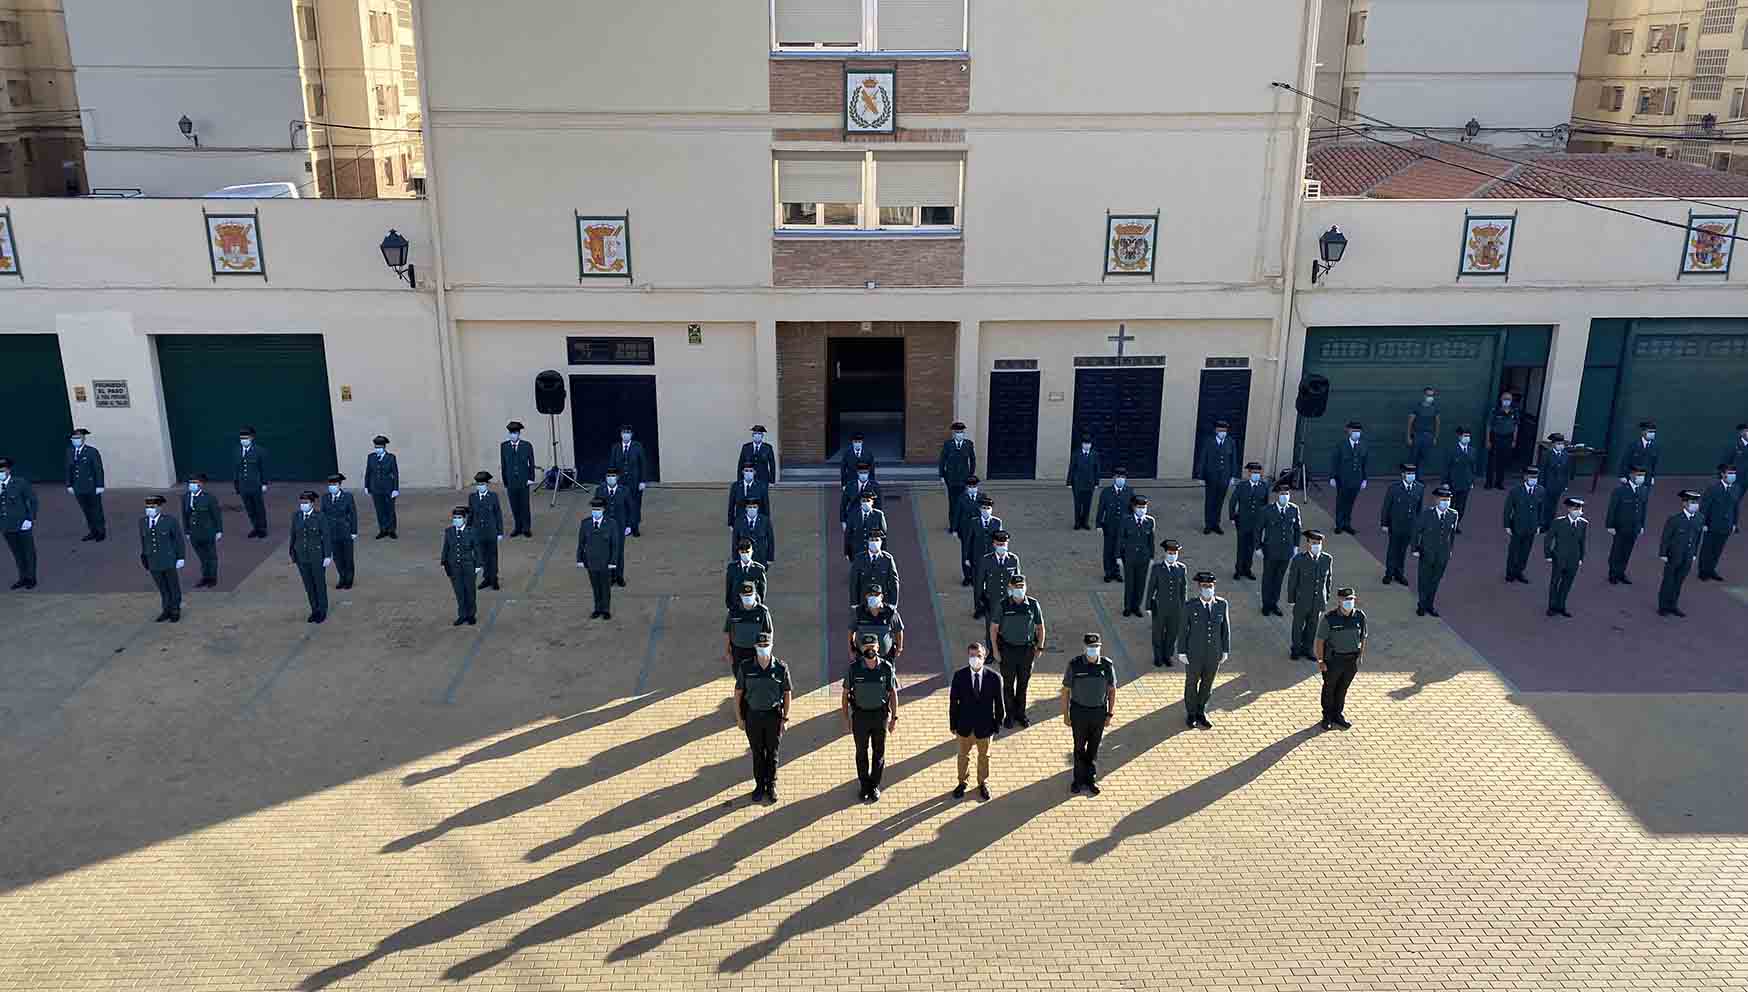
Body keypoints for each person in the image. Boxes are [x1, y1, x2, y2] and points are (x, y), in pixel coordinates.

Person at [735, 631, 791, 804]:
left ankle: (771, 785)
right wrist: (739, 718)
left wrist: (785, 718)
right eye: (760, 646)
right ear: (755, 647)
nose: (763, 649)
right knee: (758, 753)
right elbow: (738, 694)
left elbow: (788, 694)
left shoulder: (781, 668)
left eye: (766, 646)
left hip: (773, 716)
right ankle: (760, 785)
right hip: (753, 717)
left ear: (771, 646)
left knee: (772, 753)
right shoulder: (746, 667)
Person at [842, 635, 899, 802]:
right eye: (866, 647)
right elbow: (845, 695)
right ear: (861, 649)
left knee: (878, 752)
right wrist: (846, 719)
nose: (870, 650)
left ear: (878, 648)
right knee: (861, 752)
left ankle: (874, 785)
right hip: (860, 716)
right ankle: (864, 785)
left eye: (873, 646)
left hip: (880, 716)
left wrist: (894, 717)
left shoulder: (886, 668)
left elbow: (892, 693)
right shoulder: (854, 669)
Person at [1062, 633, 1117, 796]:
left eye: (1096, 647)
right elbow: (1065, 691)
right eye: (1090, 647)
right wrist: (1065, 714)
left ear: (1100, 647)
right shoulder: (1075, 665)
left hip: (1099, 713)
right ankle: (1078, 780)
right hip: (1079, 712)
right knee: (1079, 748)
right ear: (1084, 648)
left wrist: (1110, 713)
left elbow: (1112, 691)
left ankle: (1090, 778)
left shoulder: (1107, 665)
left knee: (1093, 748)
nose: (1093, 650)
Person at [989, 573, 1046, 727]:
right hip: (1007, 650)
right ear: (1010, 588)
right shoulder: (1003, 605)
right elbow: (993, 629)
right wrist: (995, 650)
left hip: (1027, 651)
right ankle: (1009, 715)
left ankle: (1021, 714)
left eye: (1022, 587)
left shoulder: (1033, 604)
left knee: (1023, 685)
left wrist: (1040, 647)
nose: (1019, 589)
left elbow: (1040, 628)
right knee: (1008, 685)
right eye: (1016, 587)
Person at [949, 643, 1004, 800]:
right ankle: (962, 782)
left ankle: (983, 782)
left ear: (984, 656)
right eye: (972, 656)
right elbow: (953, 702)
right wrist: (953, 725)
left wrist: (997, 725)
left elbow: (999, 704)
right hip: (964, 726)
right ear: (968, 657)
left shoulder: (994, 678)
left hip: (985, 728)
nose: (975, 659)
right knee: (962, 756)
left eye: (978, 655)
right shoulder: (959, 676)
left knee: (984, 757)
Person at [1177, 571, 1230, 730]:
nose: (1208, 589)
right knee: (1191, 684)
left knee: (1207, 684)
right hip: (1194, 653)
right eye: (1204, 586)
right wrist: (1182, 651)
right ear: (1199, 588)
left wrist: (1225, 650)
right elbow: (1183, 630)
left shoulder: (1221, 604)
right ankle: (1191, 713)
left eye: (1210, 586)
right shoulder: (1190, 605)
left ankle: (1201, 711)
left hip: (1213, 653)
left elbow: (1225, 629)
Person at [1315, 588, 1366, 730]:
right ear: (1339, 601)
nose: (1349, 602)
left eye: (1351, 599)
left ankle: (1338, 714)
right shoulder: (1329, 618)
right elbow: (1320, 641)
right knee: (1329, 688)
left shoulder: (1360, 616)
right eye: (1346, 599)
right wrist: (1320, 661)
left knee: (1343, 688)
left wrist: (1360, 657)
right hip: (1334, 661)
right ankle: (1327, 716)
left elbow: (1363, 638)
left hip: (1351, 661)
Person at [1412, 485, 1459, 617]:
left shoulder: (1453, 514)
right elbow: (1416, 532)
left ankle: (1429, 605)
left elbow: (1452, 535)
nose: (1445, 502)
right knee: (1424, 580)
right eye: (1443, 499)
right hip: (1427, 553)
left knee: (1435, 580)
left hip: (1442, 555)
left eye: (1448, 500)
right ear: (1436, 500)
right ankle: (1421, 605)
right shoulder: (1426, 514)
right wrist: (1415, 549)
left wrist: (1450, 550)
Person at [1285, 529, 1332, 660]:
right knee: (1298, 626)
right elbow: (1292, 580)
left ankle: (1308, 648)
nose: (1316, 545)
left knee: (1313, 626)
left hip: (1318, 601)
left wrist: (1326, 597)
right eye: (1313, 542)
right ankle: (1296, 649)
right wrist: (1291, 598)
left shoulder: (1327, 559)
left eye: (1318, 543)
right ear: (1308, 544)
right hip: (1302, 600)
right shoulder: (1299, 559)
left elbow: (1328, 580)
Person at [138, 494, 186, 623]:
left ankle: (175, 609)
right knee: (162, 587)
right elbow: (144, 540)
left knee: (173, 585)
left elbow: (178, 541)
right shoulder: (143, 522)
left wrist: (180, 557)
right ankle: (166, 609)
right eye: (147, 507)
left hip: (168, 559)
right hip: (153, 560)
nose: (149, 509)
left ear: (160, 507)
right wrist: (144, 556)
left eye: (152, 507)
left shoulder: (170, 521)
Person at [288, 489, 333, 624]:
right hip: (302, 556)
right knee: (308, 585)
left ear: (312, 503)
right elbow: (293, 535)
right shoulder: (296, 516)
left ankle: (322, 611)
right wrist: (292, 552)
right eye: (301, 502)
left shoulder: (320, 517)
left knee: (319, 584)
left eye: (306, 502)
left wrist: (327, 555)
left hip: (316, 556)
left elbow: (326, 536)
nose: (303, 505)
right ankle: (314, 610)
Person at [1658, 490, 1705, 617]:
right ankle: (1663, 607)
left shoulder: (1700, 518)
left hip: (1688, 556)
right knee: (1668, 581)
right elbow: (1666, 537)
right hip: (1674, 556)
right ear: (1684, 503)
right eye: (1692, 502)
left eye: (1696, 502)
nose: (1695, 505)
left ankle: (1673, 605)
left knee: (1679, 582)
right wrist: (1663, 553)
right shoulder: (1674, 519)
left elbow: (1697, 537)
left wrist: (1694, 553)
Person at [1259, 482, 1302, 616]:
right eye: (1282, 494)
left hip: (1286, 551)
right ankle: (1266, 604)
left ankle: (1274, 603)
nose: (1285, 496)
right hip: (1270, 550)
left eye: (1287, 494)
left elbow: (1297, 529)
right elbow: (1258, 530)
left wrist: (1295, 546)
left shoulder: (1293, 509)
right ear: (1277, 495)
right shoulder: (1267, 510)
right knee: (1268, 578)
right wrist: (1258, 547)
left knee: (1279, 579)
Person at [575, 496, 621, 619]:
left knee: (605, 587)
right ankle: (597, 608)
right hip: (590, 561)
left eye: (598, 509)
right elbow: (581, 543)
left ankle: (606, 610)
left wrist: (613, 561)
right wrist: (579, 559)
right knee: (595, 586)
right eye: (594, 509)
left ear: (603, 510)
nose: (596, 512)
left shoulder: (611, 524)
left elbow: (615, 545)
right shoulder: (586, 523)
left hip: (605, 562)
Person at [1143, 539, 1187, 667]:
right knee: (1157, 633)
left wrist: (1184, 608)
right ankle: (1158, 657)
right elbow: (1151, 587)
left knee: (1172, 633)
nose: (1172, 555)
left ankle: (1167, 656)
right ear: (1165, 553)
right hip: (1160, 607)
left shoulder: (1181, 568)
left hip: (1176, 608)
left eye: (1174, 553)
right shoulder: (1157, 568)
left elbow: (1183, 589)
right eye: (1170, 553)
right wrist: (1148, 606)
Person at [1378, 462, 1424, 585]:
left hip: (1410, 526)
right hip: (1395, 524)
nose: (1411, 476)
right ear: (1403, 474)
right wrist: (1384, 523)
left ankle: (1399, 573)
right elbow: (1386, 507)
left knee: (1403, 551)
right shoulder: (1394, 488)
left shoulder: (1419, 488)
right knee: (1393, 549)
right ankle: (1389, 573)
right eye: (1408, 473)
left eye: (1413, 473)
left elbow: (1419, 508)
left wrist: (1418, 525)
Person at [1605, 466, 1650, 585]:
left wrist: (1642, 525)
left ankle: (1621, 573)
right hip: (1621, 526)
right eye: (1638, 475)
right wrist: (1610, 526)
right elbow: (1612, 509)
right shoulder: (1620, 491)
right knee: (1617, 551)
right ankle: (1613, 574)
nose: (1641, 478)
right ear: (1631, 475)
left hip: (1634, 527)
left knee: (1627, 551)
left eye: (1643, 475)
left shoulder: (1644, 490)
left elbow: (1643, 509)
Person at [1544, 496, 1587, 618]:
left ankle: (1561, 606)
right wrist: (1548, 554)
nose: (1579, 511)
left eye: (1580, 509)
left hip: (1574, 559)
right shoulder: (1558, 522)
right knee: (1555, 582)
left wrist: (1581, 558)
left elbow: (1582, 542)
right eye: (1576, 508)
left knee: (1567, 583)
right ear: (1569, 509)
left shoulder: (1583, 524)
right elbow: (1548, 539)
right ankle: (1552, 607)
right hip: (1559, 558)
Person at [440, 505, 483, 626]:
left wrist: (478, 564)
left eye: (459, 517)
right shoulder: (449, 532)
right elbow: (446, 548)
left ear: (464, 519)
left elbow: (477, 549)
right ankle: (462, 614)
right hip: (454, 567)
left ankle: (471, 614)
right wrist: (445, 563)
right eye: (454, 517)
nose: (456, 520)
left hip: (468, 566)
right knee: (459, 591)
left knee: (470, 591)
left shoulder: (471, 531)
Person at [1502, 466, 1546, 584]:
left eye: (1536, 477)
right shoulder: (1516, 490)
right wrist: (1507, 525)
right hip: (1517, 526)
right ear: (1525, 477)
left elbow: (1541, 509)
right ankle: (1510, 573)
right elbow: (1508, 509)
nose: (1534, 479)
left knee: (1525, 551)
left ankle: (1519, 572)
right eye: (1531, 477)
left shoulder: (1540, 490)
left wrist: (1539, 525)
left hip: (1531, 526)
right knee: (1514, 551)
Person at [1697, 463, 1740, 582]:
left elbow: (1736, 507)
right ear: (1722, 474)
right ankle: (1703, 571)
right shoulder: (1713, 488)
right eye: (1730, 473)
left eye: (1734, 473)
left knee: (1718, 549)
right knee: (1707, 548)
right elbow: (1705, 507)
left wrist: (1734, 524)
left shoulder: (1736, 488)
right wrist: (1704, 523)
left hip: (1726, 525)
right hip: (1712, 524)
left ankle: (1711, 570)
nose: (1733, 476)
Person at [0, 457, 38, 590]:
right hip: (6, 525)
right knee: (16, 553)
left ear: (8, 470)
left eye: (2, 470)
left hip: (22, 524)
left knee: (28, 551)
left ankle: (31, 578)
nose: (0, 472)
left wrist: (30, 519)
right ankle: (23, 577)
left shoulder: (20, 483)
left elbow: (33, 500)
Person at [1197, 420, 1240, 535]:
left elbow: (1233, 460)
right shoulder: (1208, 441)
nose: (1223, 433)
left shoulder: (1230, 442)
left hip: (1224, 476)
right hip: (1211, 476)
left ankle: (1216, 523)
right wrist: (1200, 476)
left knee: (1219, 501)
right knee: (1210, 500)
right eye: (1221, 430)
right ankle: (1208, 524)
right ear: (1216, 430)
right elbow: (1203, 458)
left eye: (1225, 431)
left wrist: (1233, 476)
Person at [723, 580, 775, 675]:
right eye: (745, 595)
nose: (748, 597)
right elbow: (727, 632)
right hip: (738, 650)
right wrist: (727, 651)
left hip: (756, 650)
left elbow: (769, 632)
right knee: (739, 675)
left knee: (755, 675)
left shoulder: (762, 611)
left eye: (750, 595)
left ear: (755, 594)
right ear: (740, 595)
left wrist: (767, 651)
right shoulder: (733, 611)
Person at [1228, 461, 1269, 581]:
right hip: (1243, 521)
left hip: (1256, 523)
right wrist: (1232, 517)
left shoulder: (1264, 486)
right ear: (1249, 473)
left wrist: (1265, 520)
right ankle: (1238, 570)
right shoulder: (1242, 485)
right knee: (1241, 547)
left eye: (1258, 472)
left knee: (1252, 547)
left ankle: (1247, 569)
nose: (1256, 474)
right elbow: (1233, 501)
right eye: (1253, 472)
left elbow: (1265, 505)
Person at [1096, 468, 1139, 582]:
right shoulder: (1106, 492)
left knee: (1120, 550)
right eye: (1118, 477)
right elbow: (1101, 509)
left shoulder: (1130, 492)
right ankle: (1108, 572)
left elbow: (1133, 510)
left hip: (1124, 527)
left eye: (1123, 477)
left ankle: (1117, 572)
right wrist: (1099, 524)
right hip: (1109, 526)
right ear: (1114, 478)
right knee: (1108, 549)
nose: (1120, 479)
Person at [181, 473, 223, 588]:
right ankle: (205, 577)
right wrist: (187, 531)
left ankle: (212, 578)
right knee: (202, 557)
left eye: (194, 482)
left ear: (201, 484)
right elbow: (185, 516)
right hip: (194, 533)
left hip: (207, 531)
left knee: (211, 556)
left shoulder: (209, 498)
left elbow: (216, 515)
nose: (192, 485)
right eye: (190, 482)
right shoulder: (186, 497)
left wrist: (219, 530)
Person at [1118, 494, 1157, 616]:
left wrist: (1151, 557)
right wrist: (1118, 556)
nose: (1142, 510)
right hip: (1129, 557)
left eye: (1144, 507)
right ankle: (1128, 607)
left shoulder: (1150, 522)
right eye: (1139, 507)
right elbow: (1120, 539)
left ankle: (1137, 606)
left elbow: (1151, 541)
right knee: (1130, 583)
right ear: (1134, 508)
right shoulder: (1126, 520)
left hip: (1144, 558)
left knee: (1141, 583)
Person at [848, 583, 904, 667]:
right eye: (871, 595)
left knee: (888, 675)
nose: (873, 597)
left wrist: (899, 647)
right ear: (866, 597)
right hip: (863, 655)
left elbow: (898, 630)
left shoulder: (890, 612)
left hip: (886, 655)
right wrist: (851, 648)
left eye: (876, 594)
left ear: (881, 597)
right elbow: (851, 631)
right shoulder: (858, 612)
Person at [65, 428, 106, 542]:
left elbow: (98, 469)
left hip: (91, 486)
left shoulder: (92, 451)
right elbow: (68, 468)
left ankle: (100, 532)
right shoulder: (70, 451)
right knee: (86, 510)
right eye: (74, 438)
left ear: (83, 439)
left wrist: (100, 485)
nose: (75, 440)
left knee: (96, 510)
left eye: (78, 438)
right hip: (78, 487)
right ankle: (92, 531)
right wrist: (69, 484)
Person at [321, 473, 360, 591]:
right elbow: (323, 515)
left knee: (348, 557)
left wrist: (354, 531)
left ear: (339, 485)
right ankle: (342, 578)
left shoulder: (347, 497)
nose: (332, 486)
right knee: (337, 558)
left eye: (334, 484)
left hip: (345, 530)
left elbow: (353, 514)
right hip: (332, 532)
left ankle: (349, 579)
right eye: (330, 484)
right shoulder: (325, 498)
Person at [607, 424, 648, 537]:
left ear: (631, 434)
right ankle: (624, 526)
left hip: (635, 481)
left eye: (628, 433)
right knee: (621, 504)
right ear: (621, 434)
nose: (626, 435)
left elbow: (643, 464)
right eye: (624, 433)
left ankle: (634, 527)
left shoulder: (638, 446)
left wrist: (643, 481)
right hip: (620, 482)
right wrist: (611, 480)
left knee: (635, 504)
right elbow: (611, 465)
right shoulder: (615, 447)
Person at [468, 471, 505, 591]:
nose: (480, 486)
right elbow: (471, 515)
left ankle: (494, 578)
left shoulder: (493, 496)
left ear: (487, 484)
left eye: (482, 484)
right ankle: (486, 578)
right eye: (478, 484)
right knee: (482, 557)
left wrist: (500, 532)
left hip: (491, 532)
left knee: (492, 556)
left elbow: (498, 514)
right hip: (478, 532)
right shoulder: (472, 497)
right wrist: (468, 531)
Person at [1329, 421, 1368, 534]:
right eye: (1354, 431)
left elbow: (1365, 463)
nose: (1356, 433)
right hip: (1343, 478)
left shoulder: (1363, 446)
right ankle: (1339, 524)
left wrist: (1364, 479)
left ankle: (1347, 523)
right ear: (1349, 431)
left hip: (1356, 479)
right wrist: (1332, 476)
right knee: (1341, 501)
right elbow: (1335, 461)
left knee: (1350, 502)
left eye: (1358, 431)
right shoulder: (1341, 445)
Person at [500, 421, 537, 538]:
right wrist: (505, 480)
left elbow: (531, 463)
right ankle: (518, 527)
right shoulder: (504, 446)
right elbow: (504, 464)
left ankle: (526, 528)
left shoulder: (526, 445)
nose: (513, 435)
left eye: (515, 433)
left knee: (524, 504)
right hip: (511, 480)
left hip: (523, 479)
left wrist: (531, 478)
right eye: (511, 433)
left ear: (519, 434)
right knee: (514, 505)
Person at [938, 421, 977, 532]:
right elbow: (942, 460)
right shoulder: (948, 444)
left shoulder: (968, 444)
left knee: (964, 503)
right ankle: (953, 527)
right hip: (951, 479)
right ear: (953, 433)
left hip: (964, 479)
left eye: (961, 431)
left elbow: (972, 460)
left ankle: (963, 525)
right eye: (957, 432)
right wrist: (941, 475)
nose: (959, 433)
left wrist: (971, 476)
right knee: (953, 504)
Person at [597, 469, 634, 584]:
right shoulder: (600, 490)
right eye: (608, 476)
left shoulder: (624, 491)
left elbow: (630, 508)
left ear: (617, 477)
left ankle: (619, 576)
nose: (610, 478)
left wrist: (629, 525)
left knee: (619, 552)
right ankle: (610, 577)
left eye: (613, 476)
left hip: (620, 526)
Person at [977, 530, 1022, 622]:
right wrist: (981, 601)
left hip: (1009, 601)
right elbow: (979, 583)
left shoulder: (1013, 559)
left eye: (1003, 544)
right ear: (994, 544)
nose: (1001, 547)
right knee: (991, 631)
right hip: (992, 601)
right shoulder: (986, 560)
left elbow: (1018, 582)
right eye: (999, 544)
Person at [849, 527, 900, 607]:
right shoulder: (859, 559)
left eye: (876, 540)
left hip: (883, 601)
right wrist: (854, 602)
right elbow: (854, 581)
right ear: (868, 542)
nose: (874, 542)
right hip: (864, 602)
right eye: (871, 540)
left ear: (881, 542)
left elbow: (894, 582)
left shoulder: (888, 559)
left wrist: (893, 602)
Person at [961, 494, 1002, 593]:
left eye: (988, 508)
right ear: (980, 509)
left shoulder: (997, 522)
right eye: (984, 508)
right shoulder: (973, 522)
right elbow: (968, 542)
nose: (986, 510)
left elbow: (1000, 540)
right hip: (977, 556)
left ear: (991, 509)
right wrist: (966, 557)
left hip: (991, 556)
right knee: (977, 583)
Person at [839, 463, 881, 557]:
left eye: (865, 472)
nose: (863, 474)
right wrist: (843, 521)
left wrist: (877, 520)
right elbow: (843, 504)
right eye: (861, 472)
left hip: (869, 517)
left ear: (868, 473)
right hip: (853, 518)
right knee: (854, 540)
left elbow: (879, 505)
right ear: (857, 473)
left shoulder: (875, 486)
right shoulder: (850, 486)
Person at [234, 427, 270, 539]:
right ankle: (255, 527)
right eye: (241, 438)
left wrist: (264, 483)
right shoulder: (237, 451)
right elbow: (236, 469)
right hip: (243, 484)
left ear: (251, 438)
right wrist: (236, 484)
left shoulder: (259, 451)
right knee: (249, 508)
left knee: (259, 507)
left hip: (255, 484)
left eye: (246, 438)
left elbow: (264, 468)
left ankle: (262, 528)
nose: (243, 440)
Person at [363, 434, 400, 539]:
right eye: (376, 447)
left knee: (390, 509)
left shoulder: (391, 458)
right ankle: (383, 529)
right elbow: (368, 472)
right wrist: (366, 486)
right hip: (375, 488)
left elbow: (395, 473)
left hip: (389, 488)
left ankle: (392, 530)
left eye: (379, 447)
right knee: (379, 510)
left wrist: (395, 489)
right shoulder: (371, 457)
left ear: (384, 447)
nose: (377, 449)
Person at [1537, 433, 1574, 530]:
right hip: (1548, 484)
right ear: (1553, 444)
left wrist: (1565, 484)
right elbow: (1542, 470)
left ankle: (1550, 524)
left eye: (1562, 443)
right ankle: (1542, 524)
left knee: (1554, 505)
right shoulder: (1547, 454)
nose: (1561, 445)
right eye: (1558, 443)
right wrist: (1541, 485)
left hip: (1559, 485)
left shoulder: (1566, 455)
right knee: (1545, 505)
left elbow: (1567, 471)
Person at [1484, 391, 1520, 490]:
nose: (1507, 401)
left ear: (1512, 401)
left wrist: (1514, 440)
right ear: (1501, 399)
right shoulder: (1495, 410)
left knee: (1502, 462)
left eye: (1509, 399)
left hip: (1508, 438)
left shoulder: (1514, 411)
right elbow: (1489, 425)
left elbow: (1516, 426)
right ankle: (1488, 483)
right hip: (1496, 437)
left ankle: (1499, 483)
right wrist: (1488, 440)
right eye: (1505, 399)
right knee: (1492, 462)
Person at [1444, 427, 1479, 526]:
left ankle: (1456, 524)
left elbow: (1473, 468)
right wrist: (1445, 482)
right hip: (1453, 482)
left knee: (1461, 506)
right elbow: (1446, 467)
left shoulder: (1472, 451)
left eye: (1468, 436)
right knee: (1451, 504)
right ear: (1459, 437)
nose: (1467, 438)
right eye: (1465, 436)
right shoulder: (1452, 450)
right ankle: (1447, 523)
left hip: (1465, 483)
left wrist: (1472, 481)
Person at [1066, 433, 1100, 530]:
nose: (1087, 445)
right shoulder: (1076, 454)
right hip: (1077, 483)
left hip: (1090, 483)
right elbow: (1072, 468)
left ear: (1091, 445)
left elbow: (1097, 469)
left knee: (1087, 504)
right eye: (1085, 443)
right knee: (1077, 504)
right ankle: (1077, 522)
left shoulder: (1095, 454)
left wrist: (1097, 482)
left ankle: (1085, 522)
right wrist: (1069, 482)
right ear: (1082, 444)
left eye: (1088, 443)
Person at [730, 496, 775, 568]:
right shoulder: (739, 521)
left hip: (761, 558)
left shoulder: (765, 521)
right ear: (746, 508)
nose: (752, 509)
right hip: (744, 558)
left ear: (758, 508)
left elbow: (770, 540)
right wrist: (735, 558)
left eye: (754, 507)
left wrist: (770, 558)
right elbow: (735, 541)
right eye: (750, 507)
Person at [844, 488, 887, 563]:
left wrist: (883, 551)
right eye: (863, 501)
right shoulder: (852, 515)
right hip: (857, 551)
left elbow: (883, 535)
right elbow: (848, 534)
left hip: (873, 550)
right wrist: (847, 551)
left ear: (872, 502)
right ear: (860, 502)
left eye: (868, 501)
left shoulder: (879, 515)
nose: (865, 503)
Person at [724, 537, 767, 611]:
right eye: (742, 552)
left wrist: (759, 604)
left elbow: (762, 591)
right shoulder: (732, 568)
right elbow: (729, 588)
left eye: (747, 552)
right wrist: (729, 606)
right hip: (736, 607)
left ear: (752, 551)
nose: (745, 554)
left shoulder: (759, 569)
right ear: (739, 552)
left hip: (753, 607)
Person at [1406, 386, 1441, 476]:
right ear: (1424, 395)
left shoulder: (1435, 408)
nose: (1430, 397)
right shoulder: (1417, 407)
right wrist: (1409, 437)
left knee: (1423, 459)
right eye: (1428, 395)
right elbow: (1410, 422)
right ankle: (1410, 478)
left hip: (1428, 436)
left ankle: (1419, 479)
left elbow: (1437, 423)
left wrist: (1435, 437)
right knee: (1413, 459)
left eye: (1432, 395)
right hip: (1417, 436)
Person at [728, 462, 771, 531]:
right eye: (746, 470)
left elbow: (766, 506)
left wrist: (766, 523)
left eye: (751, 471)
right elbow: (731, 506)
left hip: (757, 523)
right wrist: (730, 523)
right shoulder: (736, 486)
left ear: (754, 472)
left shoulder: (761, 486)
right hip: (740, 522)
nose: (748, 473)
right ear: (742, 472)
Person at [1618, 420, 1659, 488]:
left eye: (1654, 432)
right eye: (1650, 432)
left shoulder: (1655, 447)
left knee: (1643, 496)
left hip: (1646, 479)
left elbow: (1653, 464)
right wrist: (1622, 475)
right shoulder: (1633, 445)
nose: (1652, 434)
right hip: (1632, 477)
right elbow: (1625, 461)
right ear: (1643, 432)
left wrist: (1652, 476)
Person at [950, 474, 985, 551]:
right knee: (966, 546)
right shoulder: (961, 498)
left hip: (977, 526)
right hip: (965, 526)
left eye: (974, 486)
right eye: (970, 487)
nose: (972, 488)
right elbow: (957, 514)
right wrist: (954, 529)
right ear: (966, 487)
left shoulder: (982, 497)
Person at [1725, 423, 1748, 512]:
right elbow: (1727, 462)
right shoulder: (1734, 445)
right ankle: (1732, 524)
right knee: (1733, 502)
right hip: (1739, 480)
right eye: (1745, 431)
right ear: (1741, 433)